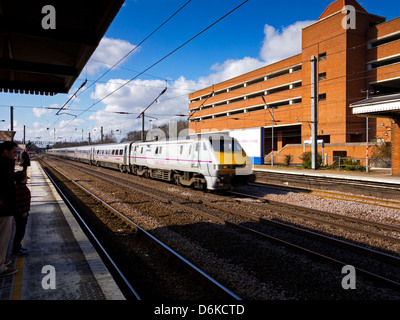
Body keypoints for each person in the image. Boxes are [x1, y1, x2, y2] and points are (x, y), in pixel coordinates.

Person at [0, 141, 18, 277]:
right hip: (3, 208)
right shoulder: (2, 164)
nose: (15, 155)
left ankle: (1, 261)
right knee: (3, 236)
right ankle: (1, 267)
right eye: (13, 152)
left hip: (6, 206)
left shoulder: (6, 163)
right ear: (5, 151)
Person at [12, 170, 31, 256]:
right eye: (25, 178)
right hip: (21, 213)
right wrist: (24, 212)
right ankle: (16, 249)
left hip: (18, 212)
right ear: (23, 179)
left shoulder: (16, 187)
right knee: (20, 232)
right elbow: (22, 201)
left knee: (19, 231)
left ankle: (18, 246)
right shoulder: (22, 189)